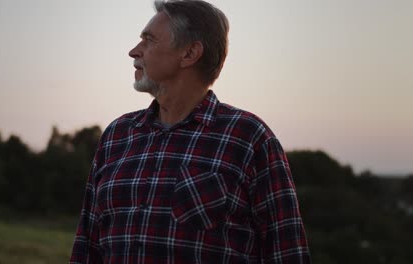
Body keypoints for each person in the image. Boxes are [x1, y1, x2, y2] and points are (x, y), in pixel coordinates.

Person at [70, 0, 311, 263]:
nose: (133, 51)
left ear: (189, 54)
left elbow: (288, 253)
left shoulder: (249, 138)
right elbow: (87, 246)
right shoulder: (117, 136)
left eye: (149, 40)